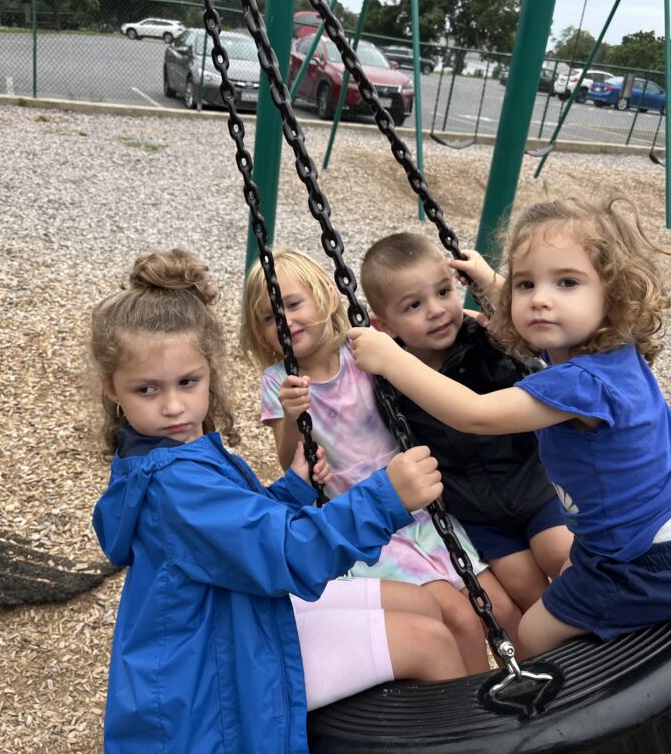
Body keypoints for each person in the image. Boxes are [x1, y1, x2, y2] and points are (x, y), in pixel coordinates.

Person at [90, 248, 466, 754]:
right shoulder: (175, 482)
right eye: (147, 390)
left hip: (235, 613)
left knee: (423, 602)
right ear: (113, 390)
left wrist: (291, 489)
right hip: (219, 677)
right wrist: (385, 499)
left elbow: (234, 532)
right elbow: (286, 552)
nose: (174, 405)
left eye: (187, 382)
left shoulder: (174, 453)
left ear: (209, 372)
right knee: (429, 643)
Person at [348, 195, 671, 660]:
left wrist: (390, 358)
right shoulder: (603, 348)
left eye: (567, 282)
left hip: (648, 564)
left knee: (531, 636)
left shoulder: (580, 384)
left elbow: (475, 413)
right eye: (526, 284)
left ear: (612, 295)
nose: (541, 300)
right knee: (565, 583)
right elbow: (541, 320)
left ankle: (598, 697)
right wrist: (493, 282)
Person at [240, 247, 521, 671]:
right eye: (268, 316)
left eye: (293, 304)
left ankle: (539, 685)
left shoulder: (363, 351)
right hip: (368, 523)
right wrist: (293, 417)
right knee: (459, 619)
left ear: (327, 297)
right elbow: (287, 462)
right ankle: (476, 706)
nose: (285, 319)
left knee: (501, 608)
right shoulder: (278, 380)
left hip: (425, 509)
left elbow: (419, 353)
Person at [360, 232, 574, 613]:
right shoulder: (391, 384)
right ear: (383, 326)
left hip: (533, 487)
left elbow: (533, 331)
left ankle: (608, 629)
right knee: (527, 592)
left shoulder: (486, 339)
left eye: (444, 292)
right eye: (414, 305)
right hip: (479, 516)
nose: (436, 310)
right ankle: (569, 648)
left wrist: (490, 284)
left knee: (564, 557)